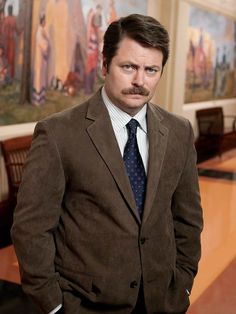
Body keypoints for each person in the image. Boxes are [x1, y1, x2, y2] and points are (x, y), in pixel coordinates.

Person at [11, 14, 203, 314]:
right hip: (86, 305)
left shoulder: (179, 132)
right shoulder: (58, 133)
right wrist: (54, 305)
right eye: (129, 67)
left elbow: (188, 220)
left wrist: (184, 284)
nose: (140, 81)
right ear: (104, 65)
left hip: (162, 301)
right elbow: (30, 229)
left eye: (151, 70)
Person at [32, 13, 50, 106]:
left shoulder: (43, 30)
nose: (45, 22)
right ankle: (37, 99)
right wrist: (47, 44)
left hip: (43, 59)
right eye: (44, 21)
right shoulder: (39, 31)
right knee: (39, 78)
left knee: (42, 78)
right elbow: (43, 44)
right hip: (39, 59)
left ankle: (41, 98)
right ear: (42, 21)